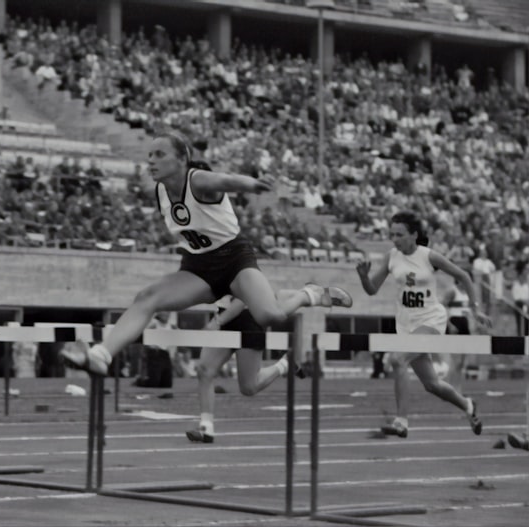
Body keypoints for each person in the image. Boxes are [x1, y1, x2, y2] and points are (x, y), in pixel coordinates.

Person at [62, 132, 352, 378]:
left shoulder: (197, 180)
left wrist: (253, 184)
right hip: (198, 267)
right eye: (149, 155)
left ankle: (308, 294)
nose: (150, 160)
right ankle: (102, 354)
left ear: (181, 159)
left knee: (270, 314)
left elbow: (225, 181)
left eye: (159, 154)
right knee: (146, 298)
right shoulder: (161, 191)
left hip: (234, 260)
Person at [355, 211, 490, 438]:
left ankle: (401, 422)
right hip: (406, 324)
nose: (394, 239)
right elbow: (372, 290)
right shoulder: (392, 257)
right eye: (392, 234)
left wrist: (475, 308)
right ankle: (468, 405)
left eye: (399, 234)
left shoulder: (429, 256)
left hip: (431, 320)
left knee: (397, 360)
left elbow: (464, 276)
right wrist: (363, 277)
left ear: (414, 235)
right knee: (432, 385)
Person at [186, 295, 303, 443]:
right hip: (225, 315)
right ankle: (206, 428)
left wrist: (217, 321)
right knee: (204, 370)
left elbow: (243, 296)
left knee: (249, 387)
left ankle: (285, 364)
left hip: (248, 318)